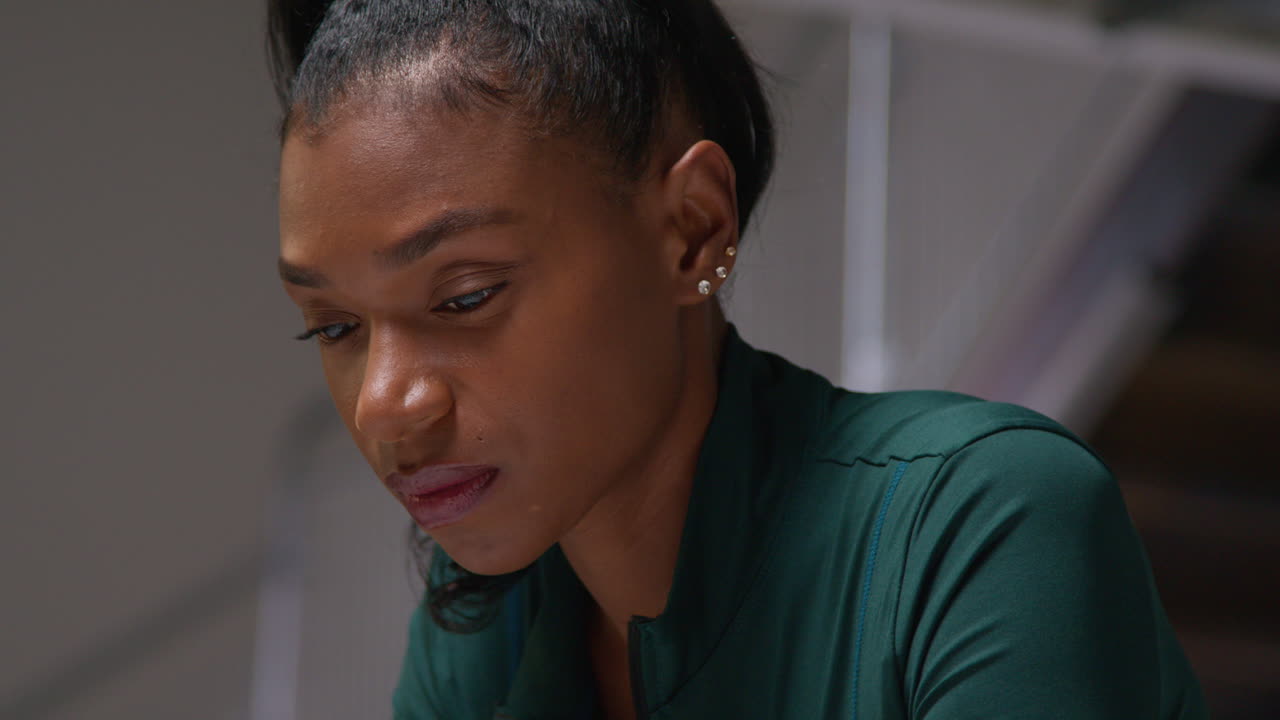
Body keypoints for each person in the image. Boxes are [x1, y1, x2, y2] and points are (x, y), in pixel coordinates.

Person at [267, 1, 1208, 718]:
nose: (385, 407)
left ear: (689, 230)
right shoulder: (482, 628)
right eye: (335, 328)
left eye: (465, 296)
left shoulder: (978, 523)